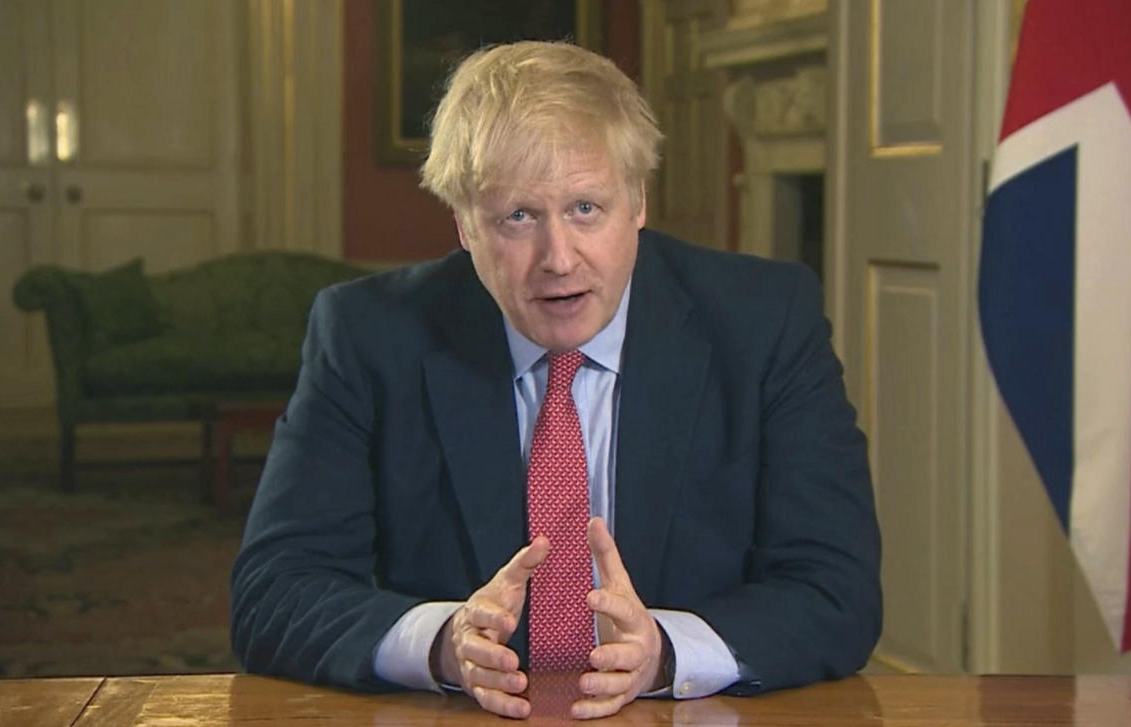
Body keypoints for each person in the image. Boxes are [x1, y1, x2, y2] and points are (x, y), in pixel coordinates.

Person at [230, 40, 881, 720]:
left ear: (637, 202)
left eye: (585, 209)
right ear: (463, 223)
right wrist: (441, 643)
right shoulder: (368, 335)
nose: (558, 259)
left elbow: (836, 590)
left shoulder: (764, 323)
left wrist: (664, 650)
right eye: (518, 217)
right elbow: (274, 593)